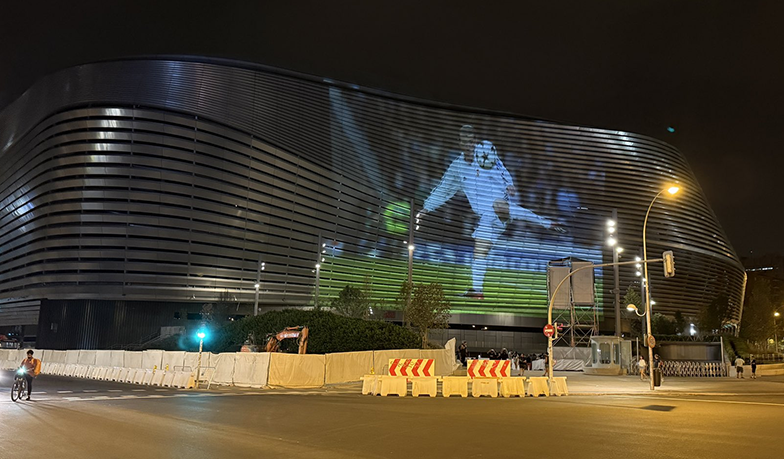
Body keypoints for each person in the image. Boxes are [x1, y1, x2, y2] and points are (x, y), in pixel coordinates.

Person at [419, 125, 567, 299]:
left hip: (500, 204)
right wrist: (427, 207)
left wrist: (509, 185)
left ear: (475, 141)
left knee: (498, 205)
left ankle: (547, 222)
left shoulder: (486, 156)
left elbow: (503, 171)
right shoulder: (457, 167)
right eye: (465, 141)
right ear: (460, 143)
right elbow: (444, 189)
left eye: (472, 140)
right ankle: (477, 290)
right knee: (479, 251)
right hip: (486, 217)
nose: (469, 144)